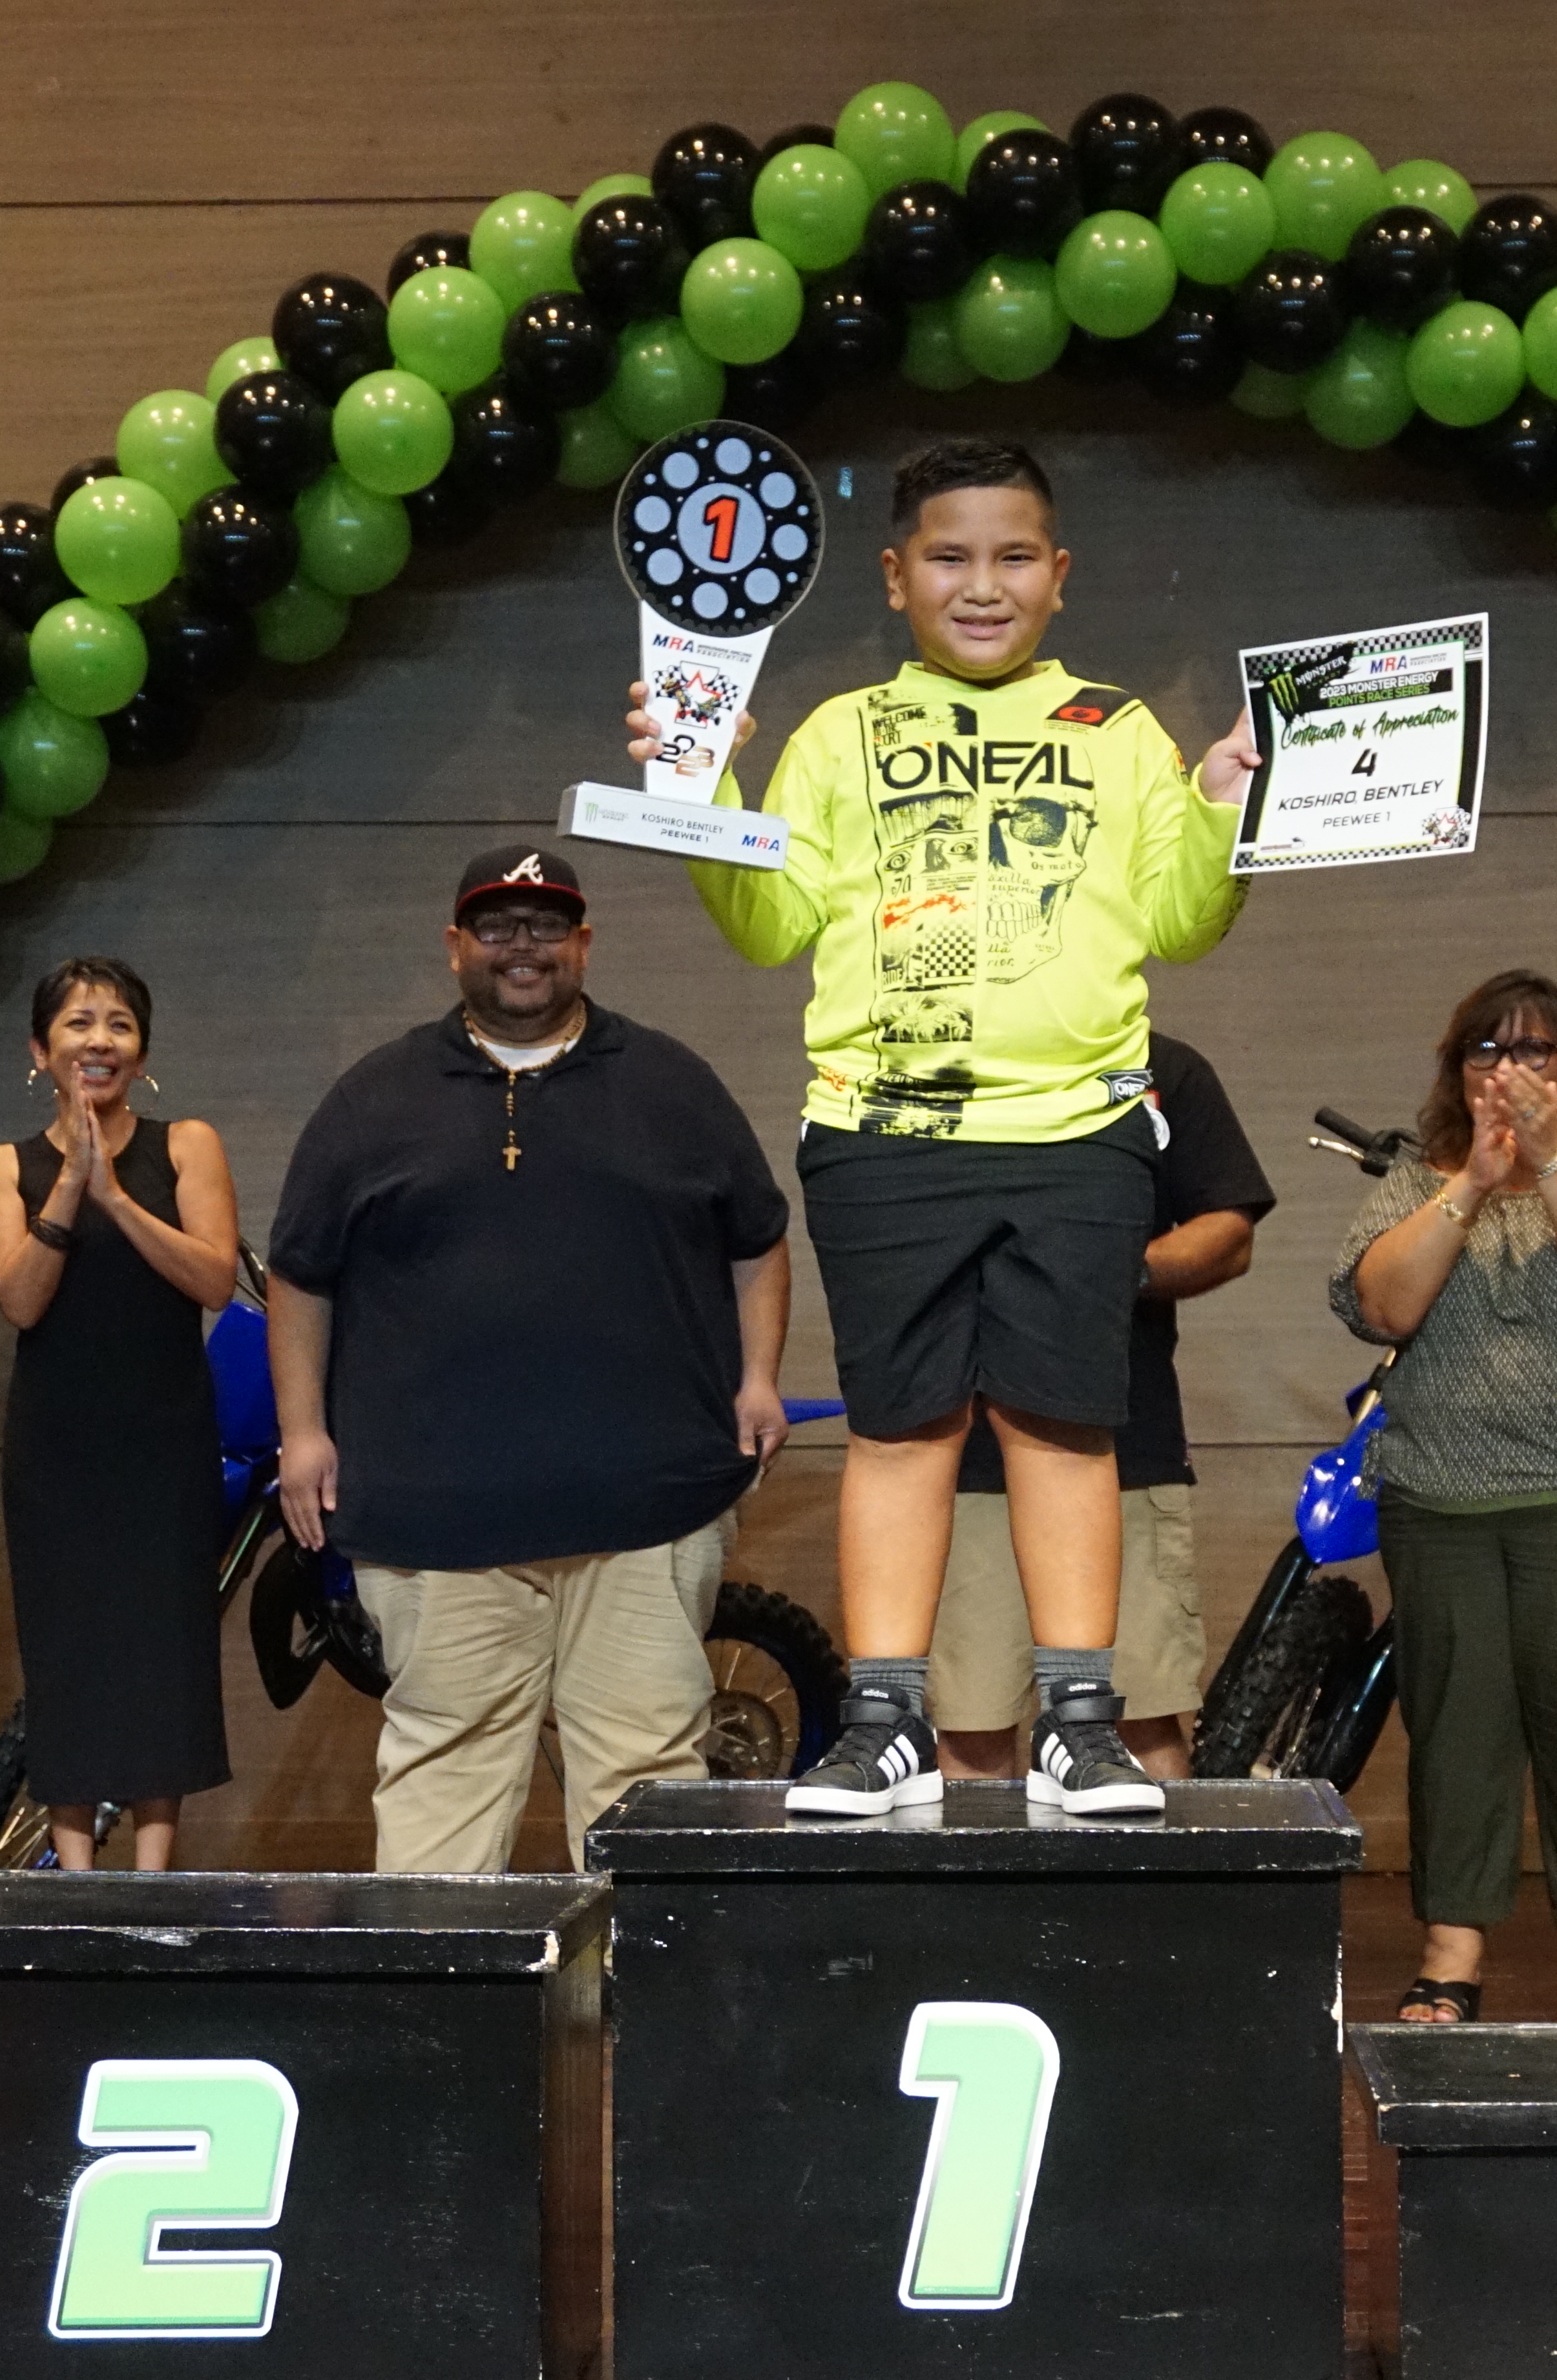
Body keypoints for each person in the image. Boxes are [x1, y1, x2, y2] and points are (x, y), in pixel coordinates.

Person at [625, 436, 1262, 1818]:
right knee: (903, 1428)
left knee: (1061, 1426)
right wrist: (700, 800)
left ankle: (1082, 1723)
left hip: (1080, 1128)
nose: (986, 585)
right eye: (954, 558)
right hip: (880, 1125)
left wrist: (1218, 810)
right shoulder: (841, 734)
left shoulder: (1121, 727)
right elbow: (769, 924)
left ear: (1060, 575)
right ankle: (884, 1718)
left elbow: (1180, 921)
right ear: (898, 574)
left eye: (1016, 555)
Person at [269, 845, 790, 1872]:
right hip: (436, 1520)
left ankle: (646, 2031)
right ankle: (445, 2031)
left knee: (647, 1786)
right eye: (499, 925)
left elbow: (759, 1239)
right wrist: (302, 1432)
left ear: (584, 944)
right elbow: (301, 1275)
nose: (524, 947)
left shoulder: (673, 1083)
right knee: (443, 1780)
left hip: (647, 1512)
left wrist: (760, 1375)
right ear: (456, 946)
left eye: (547, 925)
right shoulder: (372, 1097)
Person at [1332, 973, 1557, 2024]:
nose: (1512, 1072)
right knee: (1457, 1736)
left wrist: (1548, 1165)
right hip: (1442, 1502)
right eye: (1488, 1052)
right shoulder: (1412, 1182)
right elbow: (1380, 1301)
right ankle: (1451, 1959)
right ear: (1456, 1071)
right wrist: (1470, 1185)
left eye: (1536, 1053)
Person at [926, 1032, 1275, 1780]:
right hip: (964, 1451)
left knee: (1139, 1723)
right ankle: (984, 1906)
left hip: (1123, 1446)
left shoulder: (1160, 1066)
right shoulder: (938, 1061)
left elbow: (1230, 1231)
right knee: (970, 1728)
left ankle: (1146, 1904)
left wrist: (1111, 1268)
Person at [0, 957, 239, 1870]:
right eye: (78, 1025)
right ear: (40, 1051)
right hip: (57, 1443)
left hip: (164, 1434)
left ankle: (153, 1874)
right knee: (69, 1649)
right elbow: (21, 1300)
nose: (99, 1041)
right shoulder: (0, 1164)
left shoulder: (187, 1144)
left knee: (164, 1650)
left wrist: (118, 1194)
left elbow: (211, 1277)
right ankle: (77, 1878)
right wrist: (74, 1183)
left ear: (143, 1050)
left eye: (118, 1025)